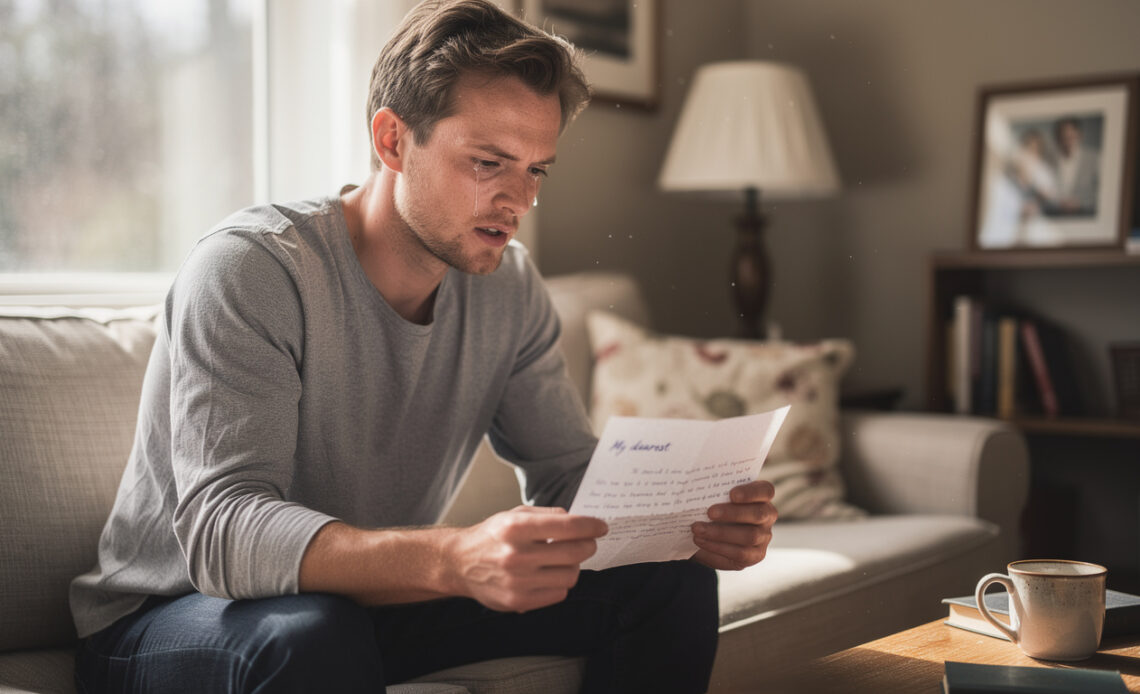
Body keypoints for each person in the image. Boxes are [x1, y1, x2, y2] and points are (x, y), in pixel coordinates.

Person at [69, 1, 778, 692]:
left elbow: (566, 476)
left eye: (537, 169)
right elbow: (223, 534)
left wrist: (686, 525)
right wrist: (453, 557)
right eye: (489, 162)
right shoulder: (253, 270)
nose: (519, 200)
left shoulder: (508, 287)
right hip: (168, 616)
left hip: (362, 605)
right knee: (310, 634)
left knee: (669, 583)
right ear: (392, 140)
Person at [1051, 116, 1100, 216]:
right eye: (1063, 137)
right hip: (1057, 218)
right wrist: (1058, 203)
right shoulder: (1050, 162)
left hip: (1086, 218)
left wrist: (1080, 203)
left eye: (1071, 136)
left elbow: (1102, 192)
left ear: (1079, 135)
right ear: (1057, 139)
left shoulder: (1094, 158)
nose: (1067, 141)